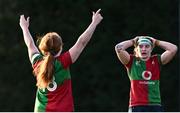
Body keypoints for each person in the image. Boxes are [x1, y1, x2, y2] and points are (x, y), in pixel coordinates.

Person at [19, 9, 103, 112]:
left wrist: (24, 27)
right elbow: (81, 42)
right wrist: (94, 23)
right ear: (60, 47)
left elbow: (30, 44)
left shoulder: (37, 62)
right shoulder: (64, 61)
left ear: (42, 48)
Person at [115, 36, 177, 112]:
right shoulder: (131, 61)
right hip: (136, 105)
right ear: (137, 49)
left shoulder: (157, 60)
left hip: (155, 105)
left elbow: (173, 49)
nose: (144, 49)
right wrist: (133, 41)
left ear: (151, 49)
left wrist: (156, 41)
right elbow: (118, 48)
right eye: (140, 46)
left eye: (147, 46)